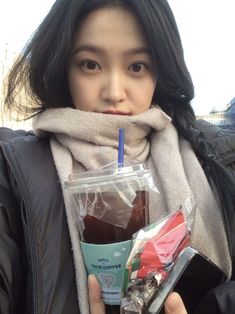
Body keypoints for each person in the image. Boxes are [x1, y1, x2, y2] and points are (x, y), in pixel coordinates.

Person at [0, 0, 235, 313]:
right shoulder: (13, 171)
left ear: (160, 73)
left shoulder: (216, 159)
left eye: (137, 66)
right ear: (62, 68)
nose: (114, 91)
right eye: (91, 64)